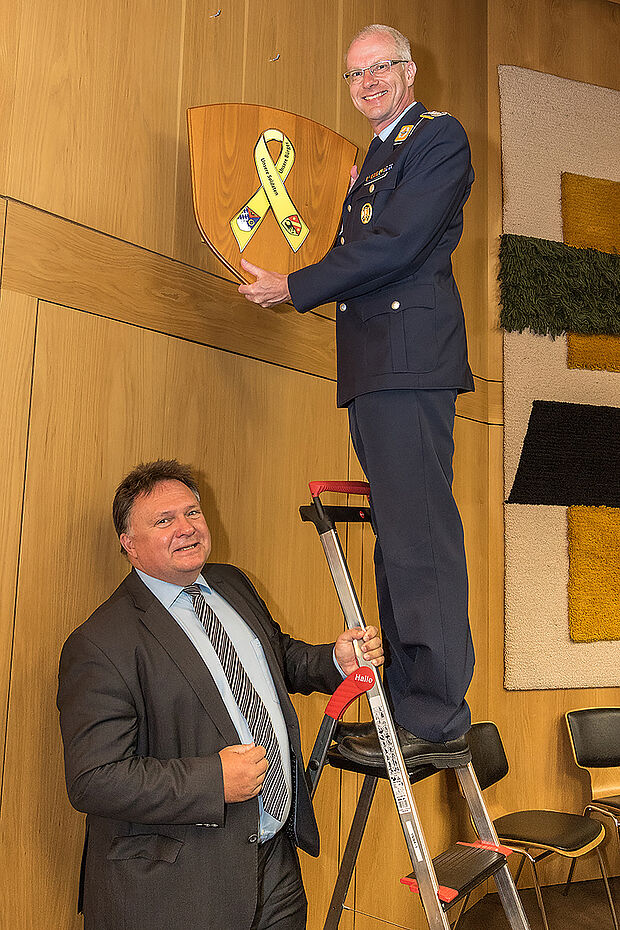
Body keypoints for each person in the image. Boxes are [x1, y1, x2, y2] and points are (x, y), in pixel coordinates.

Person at [239, 24, 475, 768]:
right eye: (355, 74)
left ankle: (437, 715)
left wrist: (296, 285)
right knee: (398, 544)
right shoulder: (374, 156)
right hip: (377, 366)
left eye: (381, 67)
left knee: (420, 539)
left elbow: (396, 245)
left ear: (410, 70)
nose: (368, 81)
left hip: (408, 361)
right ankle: (410, 706)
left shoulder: (437, 139)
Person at [57, 459, 383, 930]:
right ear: (128, 544)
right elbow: (94, 778)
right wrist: (214, 780)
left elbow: (278, 658)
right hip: (178, 887)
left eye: (192, 512)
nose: (186, 529)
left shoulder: (231, 583)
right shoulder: (100, 643)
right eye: (164, 521)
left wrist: (334, 662)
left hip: (274, 858)